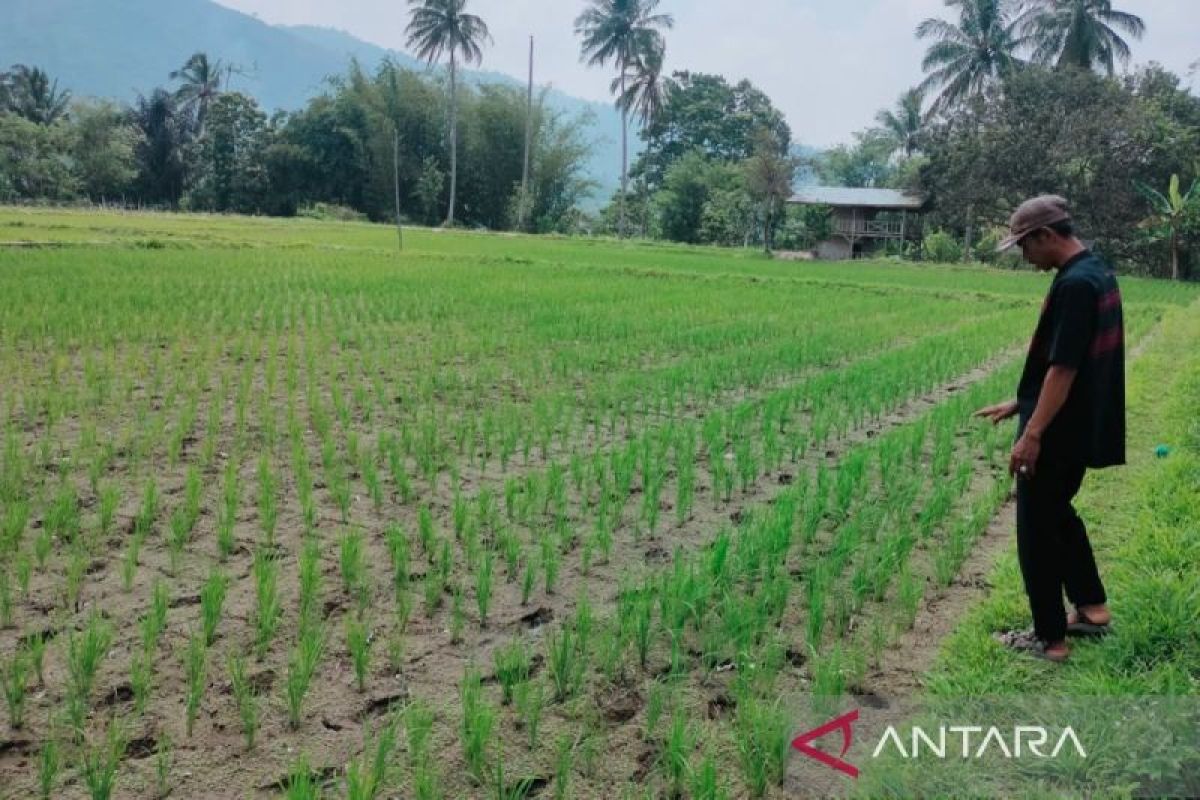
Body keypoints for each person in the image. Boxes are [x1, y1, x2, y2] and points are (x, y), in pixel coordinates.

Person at [974, 195, 1124, 663]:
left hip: (1058, 432)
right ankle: (1092, 608)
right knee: (1059, 515)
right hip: (1077, 426)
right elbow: (1072, 366)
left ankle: (1049, 639)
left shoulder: (1075, 285)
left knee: (1036, 531)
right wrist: (1021, 402)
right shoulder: (1096, 271)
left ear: (1047, 236)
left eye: (1024, 244)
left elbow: (1063, 369)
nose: (1023, 255)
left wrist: (1032, 431)